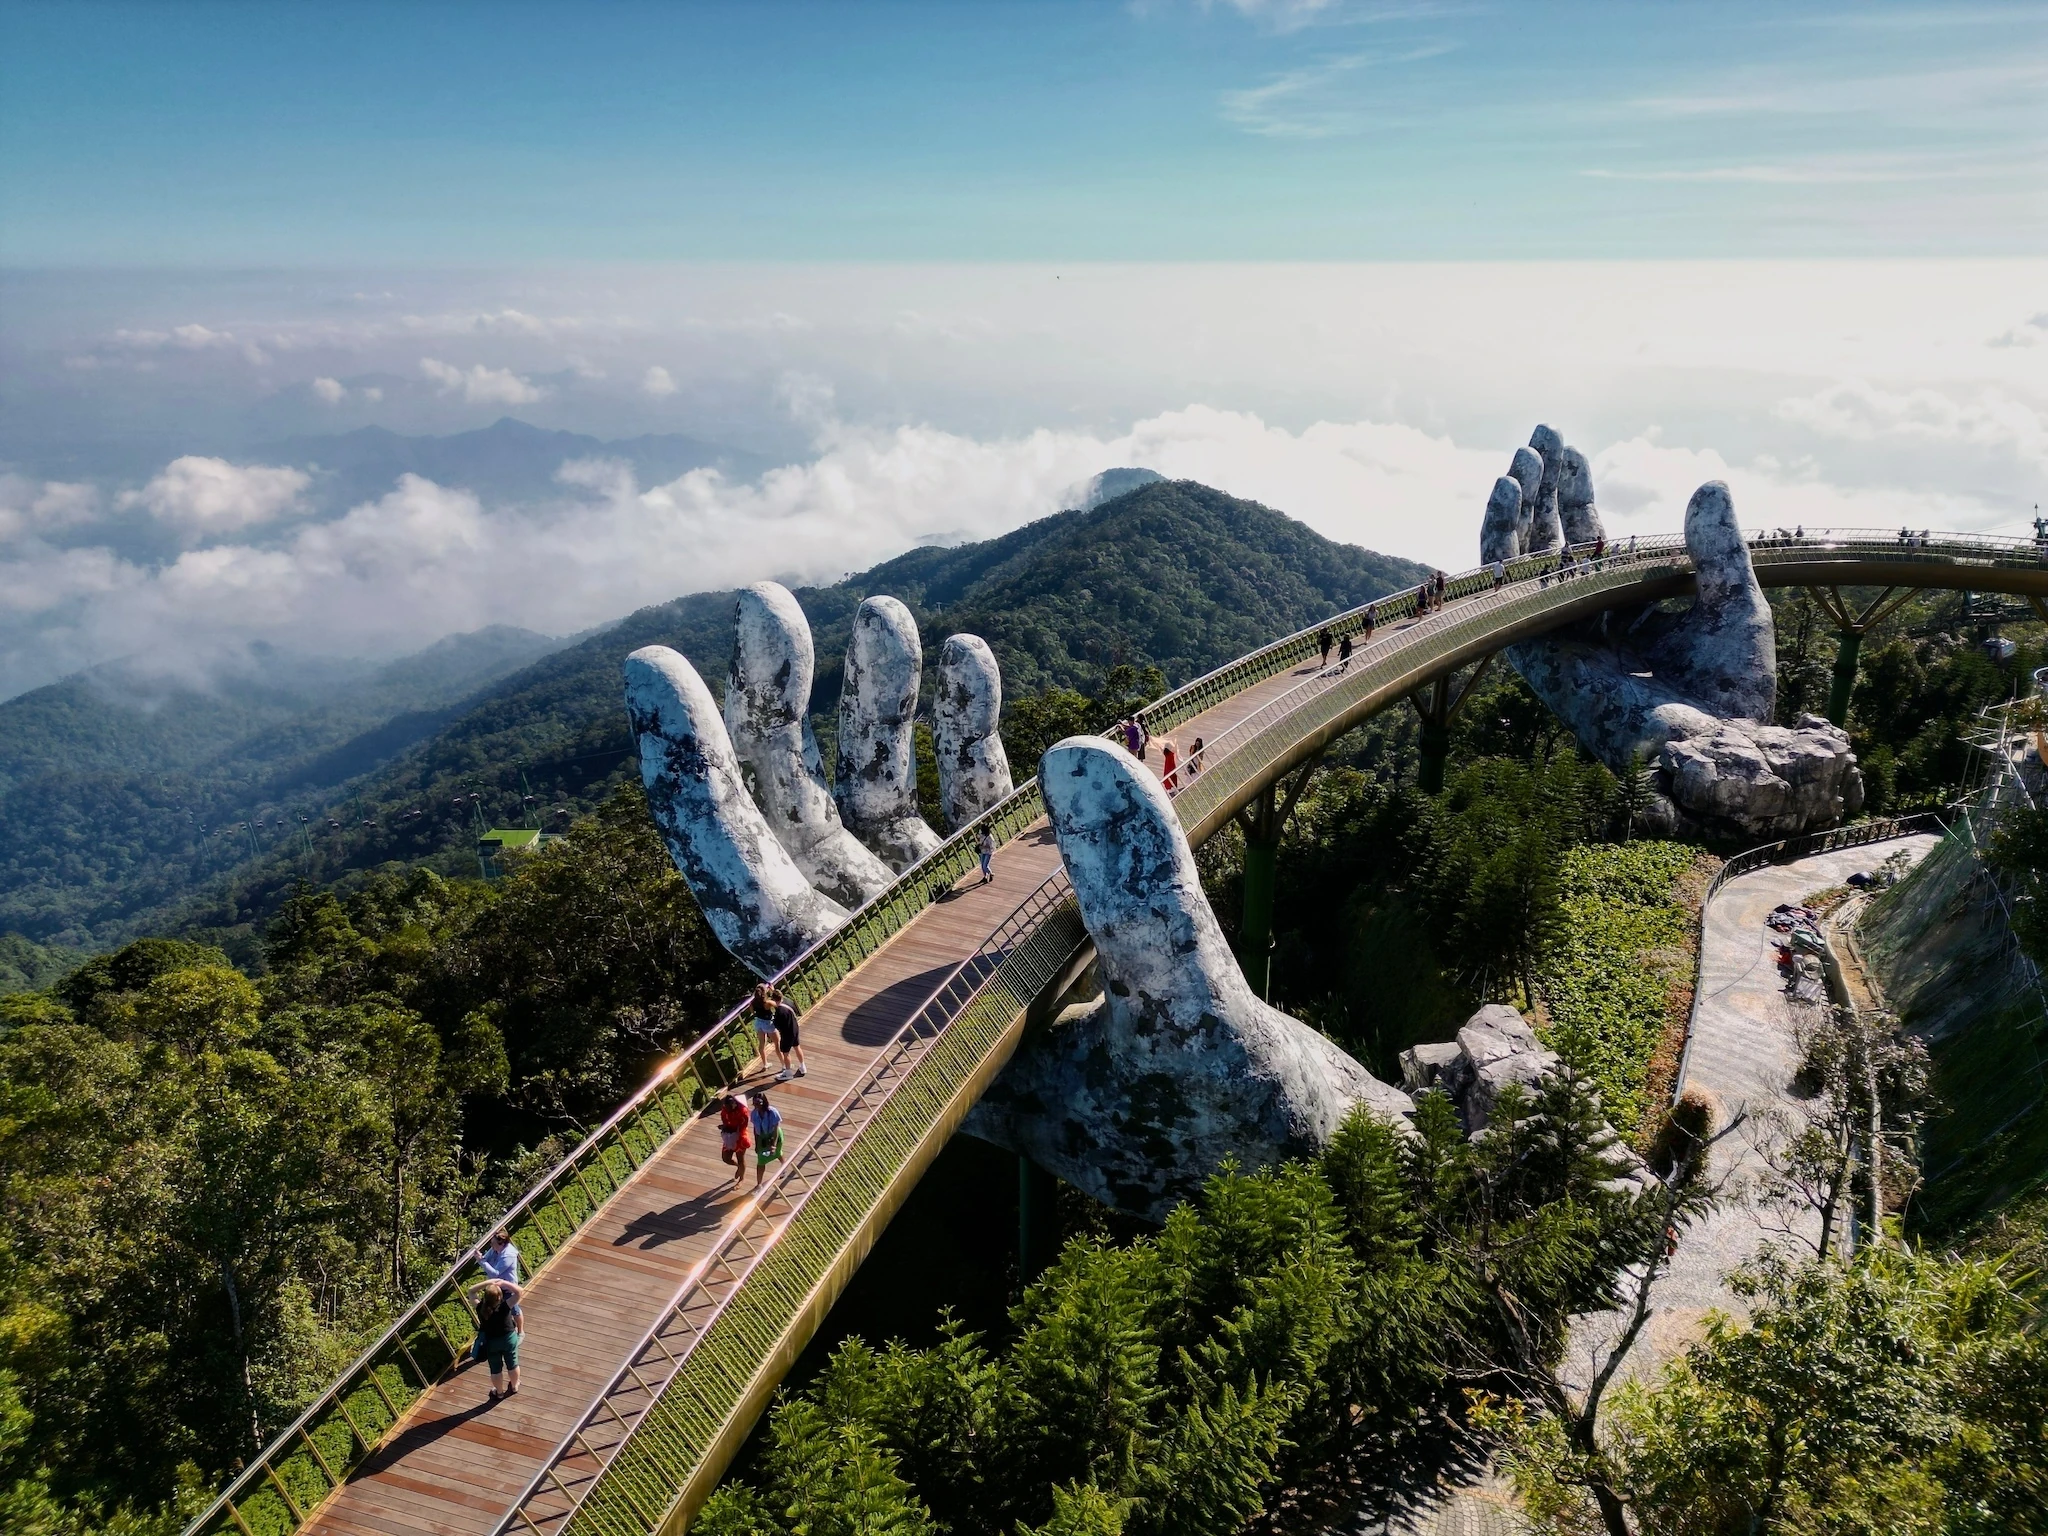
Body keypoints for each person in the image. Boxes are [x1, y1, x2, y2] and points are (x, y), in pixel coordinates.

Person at [471, 1278, 523, 1401]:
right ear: (499, 1297)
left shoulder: (480, 1308)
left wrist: (488, 1282)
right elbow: (519, 1291)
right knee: (512, 1362)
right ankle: (514, 1386)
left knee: (495, 1368)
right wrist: (503, 1282)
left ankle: (499, 1393)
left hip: (491, 1342)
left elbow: (471, 1291)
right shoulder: (505, 1307)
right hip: (508, 1339)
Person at [748, 1089, 785, 1189]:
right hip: (762, 1138)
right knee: (761, 1161)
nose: (757, 1105)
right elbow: (756, 1129)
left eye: (759, 1103)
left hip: (774, 1136)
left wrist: (773, 1144)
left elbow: (776, 1129)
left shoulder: (772, 1112)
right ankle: (759, 1184)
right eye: (755, 1103)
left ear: (764, 1102)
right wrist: (756, 1144)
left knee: (777, 1153)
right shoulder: (754, 1114)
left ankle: (784, 1166)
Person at [769, 986, 806, 1080]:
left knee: (786, 1053)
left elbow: (777, 1024)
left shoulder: (780, 1011)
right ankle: (803, 1067)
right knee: (797, 1047)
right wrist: (773, 989)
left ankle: (788, 1073)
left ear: (773, 999)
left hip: (787, 1034)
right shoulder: (788, 1001)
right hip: (795, 1029)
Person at [717, 1094, 751, 1185]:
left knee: (741, 1158)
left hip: (740, 1135)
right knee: (726, 1158)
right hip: (729, 1135)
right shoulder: (724, 1110)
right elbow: (725, 1121)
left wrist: (731, 1128)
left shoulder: (743, 1112)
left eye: (728, 1107)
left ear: (734, 1105)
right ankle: (738, 1167)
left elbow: (743, 1126)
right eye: (725, 1106)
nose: (726, 1108)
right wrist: (724, 1127)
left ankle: (742, 1179)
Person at [748, 982, 780, 1076]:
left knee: (762, 1044)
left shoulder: (752, 1003)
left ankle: (765, 1063)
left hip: (758, 1023)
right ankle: (783, 1063)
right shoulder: (767, 1003)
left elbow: (752, 1012)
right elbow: (778, 1004)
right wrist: (773, 991)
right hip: (768, 1023)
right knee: (777, 1042)